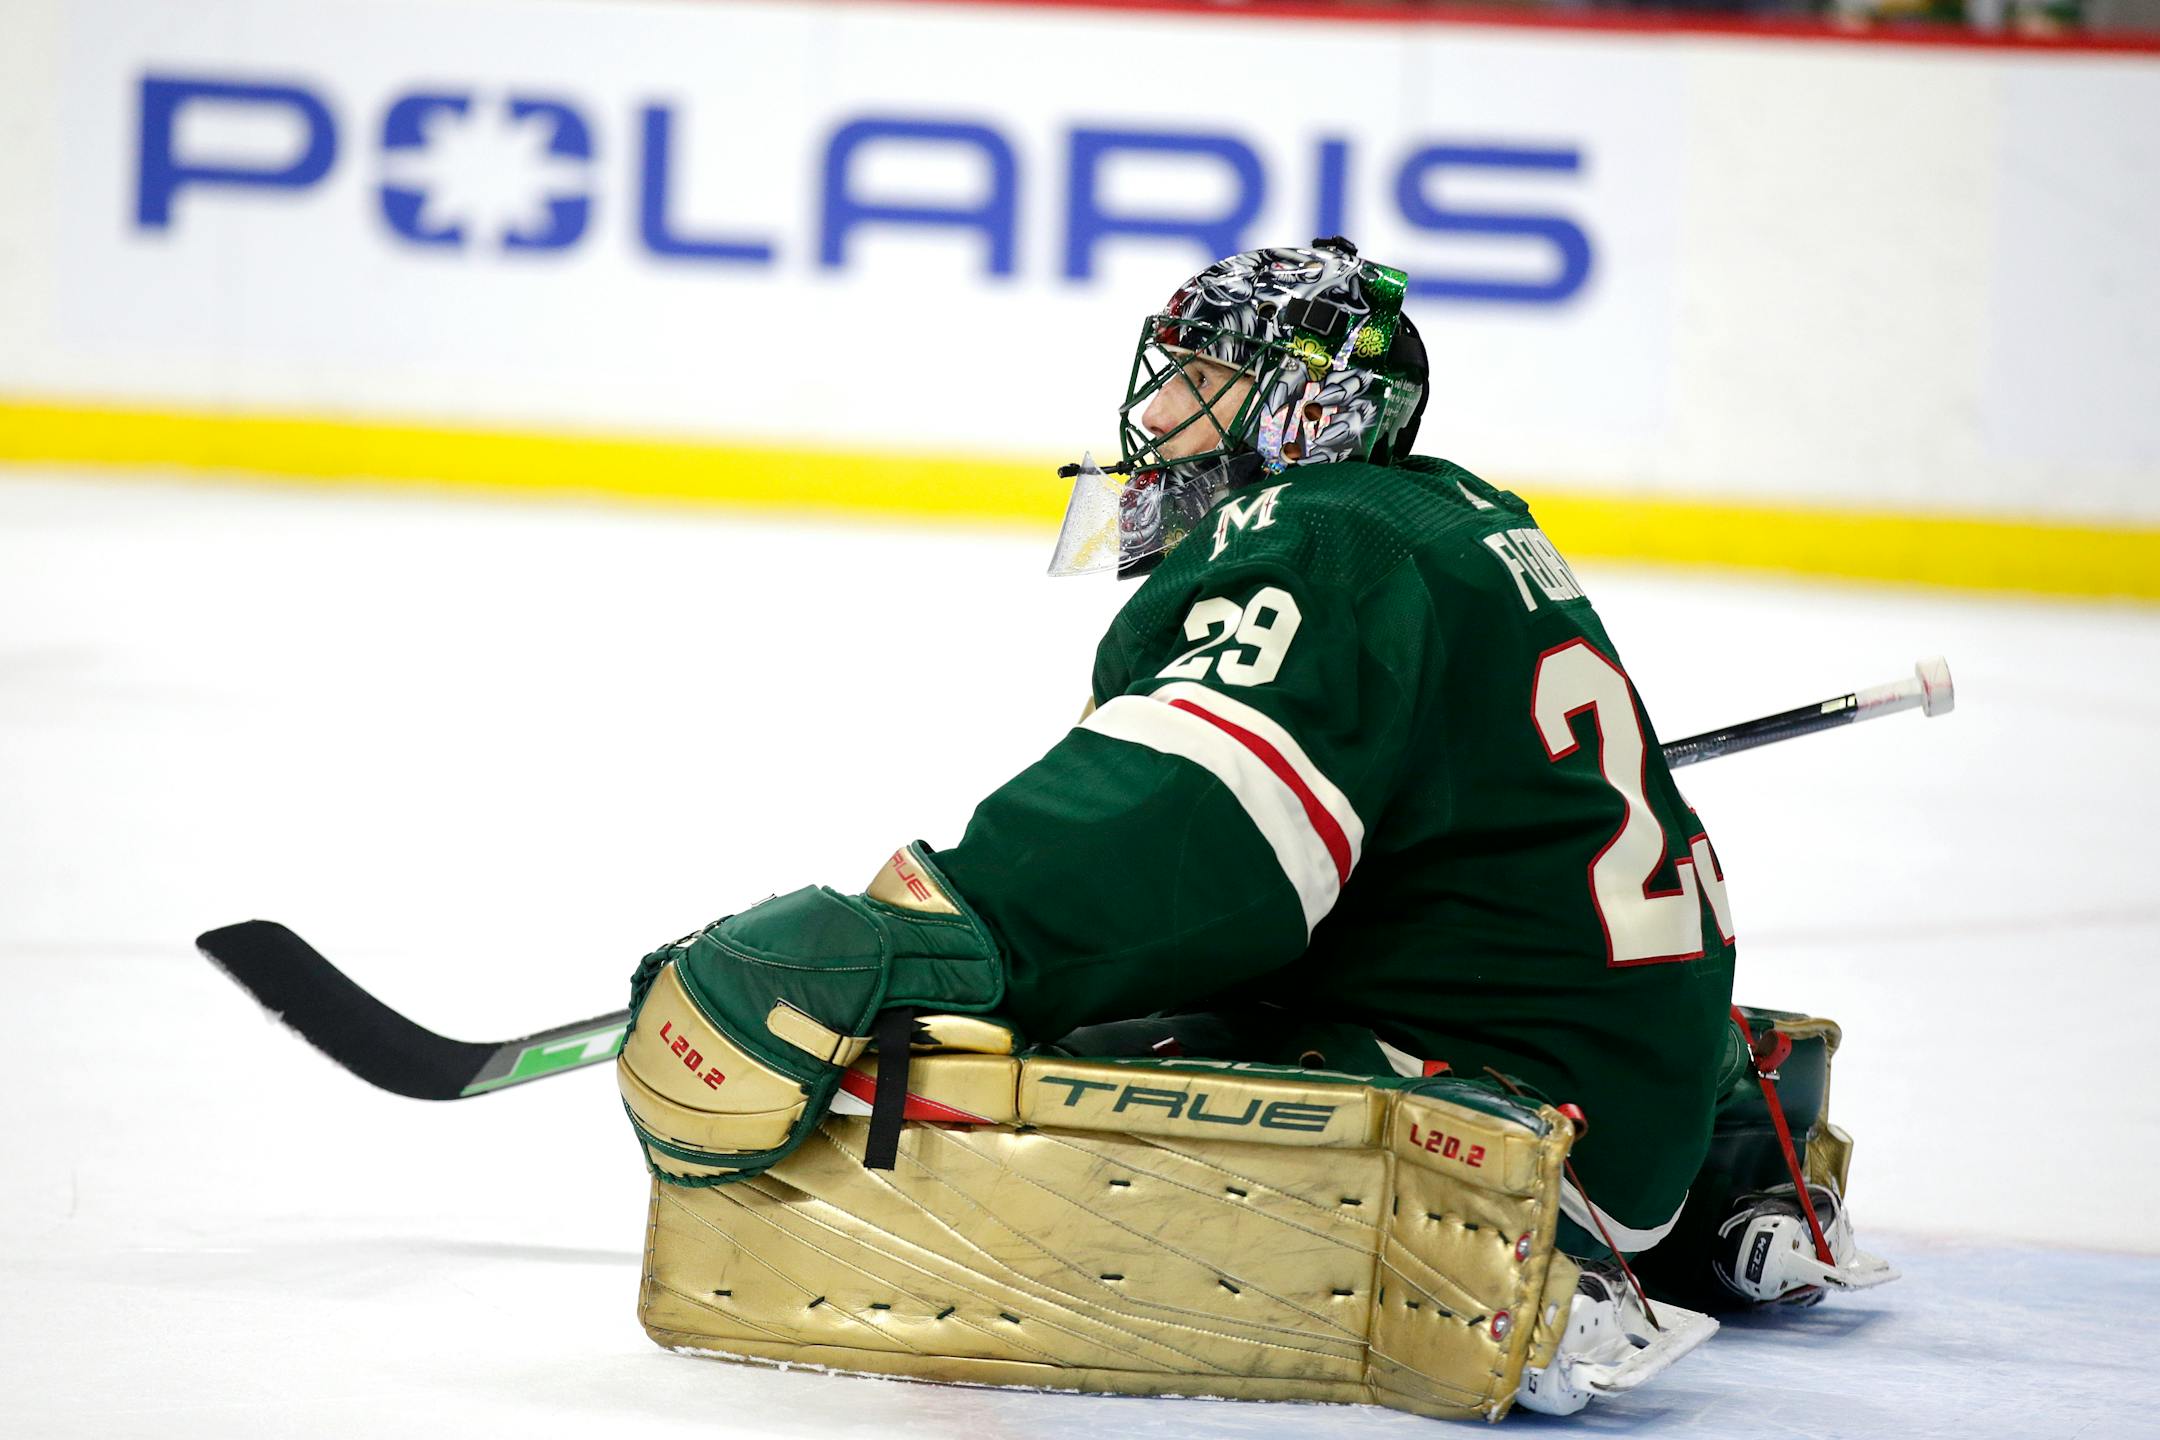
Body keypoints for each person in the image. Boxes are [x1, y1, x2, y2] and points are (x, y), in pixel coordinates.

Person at [614, 240, 1883, 1411]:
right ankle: (1737, 1174)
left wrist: (945, 934)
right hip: (1639, 1068)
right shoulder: (1450, 514)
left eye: (1205, 377)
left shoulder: (1320, 538)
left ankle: (1533, 1254)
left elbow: (1192, 839)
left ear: (1308, 410)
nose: (1160, 412)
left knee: (1065, 1057)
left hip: (1532, 1113)